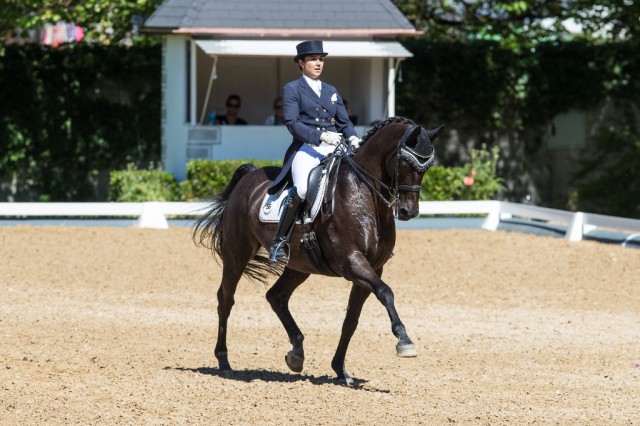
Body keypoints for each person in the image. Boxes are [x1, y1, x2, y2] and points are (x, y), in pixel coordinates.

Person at [267, 40, 361, 264]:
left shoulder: (331, 90)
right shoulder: (292, 89)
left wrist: (354, 138)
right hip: (307, 148)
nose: (318, 63)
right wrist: (320, 136)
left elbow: (344, 121)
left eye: (321, 59)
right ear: (301, 63)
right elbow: (292, 123)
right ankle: (280, 240)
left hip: (335, 146)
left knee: (357, 182)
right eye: (312, 59)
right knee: (300, 189)